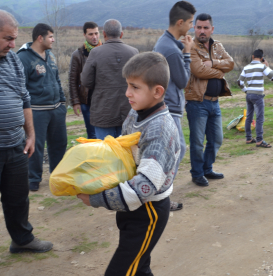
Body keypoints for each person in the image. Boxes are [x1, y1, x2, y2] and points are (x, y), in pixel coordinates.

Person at [77, 52, 179, 276]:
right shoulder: (136, 113)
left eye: (134, 87)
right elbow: (123, 150)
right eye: (127, 85)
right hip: (131, 208)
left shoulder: (160, 130)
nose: (127, 93)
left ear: (157, 91)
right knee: (138, 267)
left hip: (148, 212)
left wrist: (95, 198)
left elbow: (144, 187)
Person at [0, 10, 53, 253]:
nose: (13, 44)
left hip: (15, 143)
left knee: (18, 197)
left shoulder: (12, 60)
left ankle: (22, 240)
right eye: (7, 39)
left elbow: (24, 98)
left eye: (14, 38)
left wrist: (30, 135)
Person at [154, 1, 196, 211]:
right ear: (180, 22)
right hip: (170, 107)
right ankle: (161, 195)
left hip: (166, 105)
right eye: (189, 22)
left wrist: (183, 46)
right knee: (177, 150)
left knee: (172, 151)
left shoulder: (167, 42)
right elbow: (183, 81)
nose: (191, 26)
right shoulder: (170, 49)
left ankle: (159, 193)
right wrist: (187, 53)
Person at [185, 13, 234, 187]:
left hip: (215, 102)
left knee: (217, 139)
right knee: (197, 142)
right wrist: (220, 72)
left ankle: (207, 169)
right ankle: (197, 173)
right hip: (197, 102)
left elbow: (231, 63)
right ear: (194, 28)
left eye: (206, 27)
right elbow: (198, 71)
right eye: (199, 27)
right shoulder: (191, 46)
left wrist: (212, 63)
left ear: (212, 29)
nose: (202, 31)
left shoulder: (217, 46)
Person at [17, 23, 67, 191]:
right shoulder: (23, 58)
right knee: (35, 146)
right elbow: (20, 87)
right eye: (51, 37)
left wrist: (62, 102)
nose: (53, 40)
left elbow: (57, 79)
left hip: (56, 109)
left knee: (59, 144)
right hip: (36, 110)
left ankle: (57, 176)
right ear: (40, 38)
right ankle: (34, 179)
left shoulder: (50, 55)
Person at [81, 19, 139, 140]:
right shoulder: (134, 52)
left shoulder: (95, 53)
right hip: (128, 111)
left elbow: (86, 81)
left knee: (106, 154)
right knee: (127, 154)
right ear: (121, 34)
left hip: (103, 112)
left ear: (104, 34)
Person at [69, 21, 102, 139]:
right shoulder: (78, 55)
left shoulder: (104, 51)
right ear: (84, 35)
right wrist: (75, 101)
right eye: (91, 34)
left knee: (105, 134)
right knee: (92, 135)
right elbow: (73, 80)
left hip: (103, 100)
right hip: (87, 101)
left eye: (96, 33)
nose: (94, 37)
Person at [238, 49, 273, 148]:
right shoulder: (262, 66)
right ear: (262, 58)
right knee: (259, 118)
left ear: (252, 56)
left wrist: (246, 91)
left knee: (249, 117)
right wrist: (267, 66)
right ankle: (259, 140)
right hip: (258, 95)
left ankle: (248, 138)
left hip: (249, 95)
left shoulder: (246, 67)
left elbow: (240, 82)